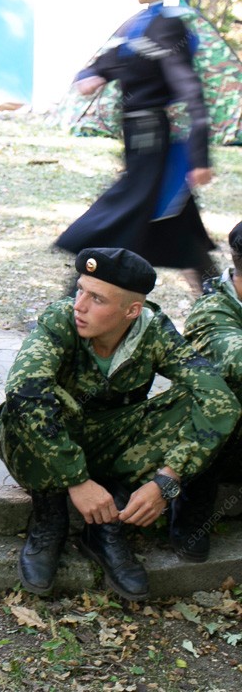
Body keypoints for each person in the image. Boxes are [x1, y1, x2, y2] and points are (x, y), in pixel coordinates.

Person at [0, 248, 238, 601]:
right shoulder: (60, 320)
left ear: (131, 311)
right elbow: (24, 392)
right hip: (46, 446)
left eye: (96, 298)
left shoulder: (153, 331)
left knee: (196, 402)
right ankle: (49, 520)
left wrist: (167, 482)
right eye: (80, 290)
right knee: (29, 401)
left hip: (110, 442)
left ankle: (106, 528)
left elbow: (220, 402)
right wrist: (75, 481)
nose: (79, 305)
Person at [57, 0, 216, 292]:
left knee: (115, 225)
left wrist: (200, 156)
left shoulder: (168, 26)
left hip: (154, 149)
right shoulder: (143, 22)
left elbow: (191, 91)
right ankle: (224, 308)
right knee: (178, 237)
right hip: (137, 145)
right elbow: (117, 58)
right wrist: (94, 74)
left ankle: (70, 304)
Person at [178, 220, 242, 561]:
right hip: (217, 446)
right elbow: (237, 359)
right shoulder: (211, 312)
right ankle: (191, 512)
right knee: (223, 395)